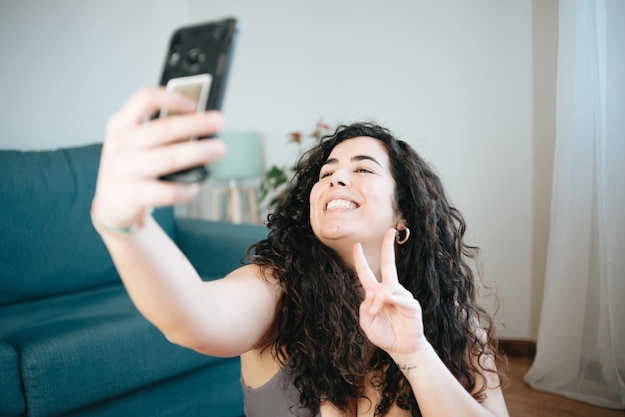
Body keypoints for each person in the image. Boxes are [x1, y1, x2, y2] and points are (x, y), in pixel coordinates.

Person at [91, 87, 510, 417]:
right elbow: (196, 317)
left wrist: (414, 352)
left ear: (404, 215)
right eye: (326, 173)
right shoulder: (277, 286)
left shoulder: (450, 317)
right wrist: (125, 226)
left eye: (362, 168)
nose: (336, 179)